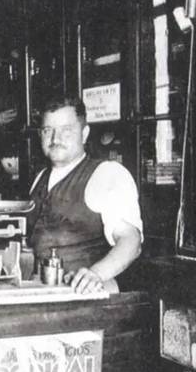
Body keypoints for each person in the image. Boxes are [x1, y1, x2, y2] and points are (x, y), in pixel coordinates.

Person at [26, 98, 143, 293]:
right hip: (42, 292)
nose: (55, 139)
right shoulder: (40, 178)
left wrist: (95, 274)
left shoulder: (107, 174)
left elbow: (131, 241)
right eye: (48, 131)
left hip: (86, 300)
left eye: (66, 130)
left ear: (84, 133)